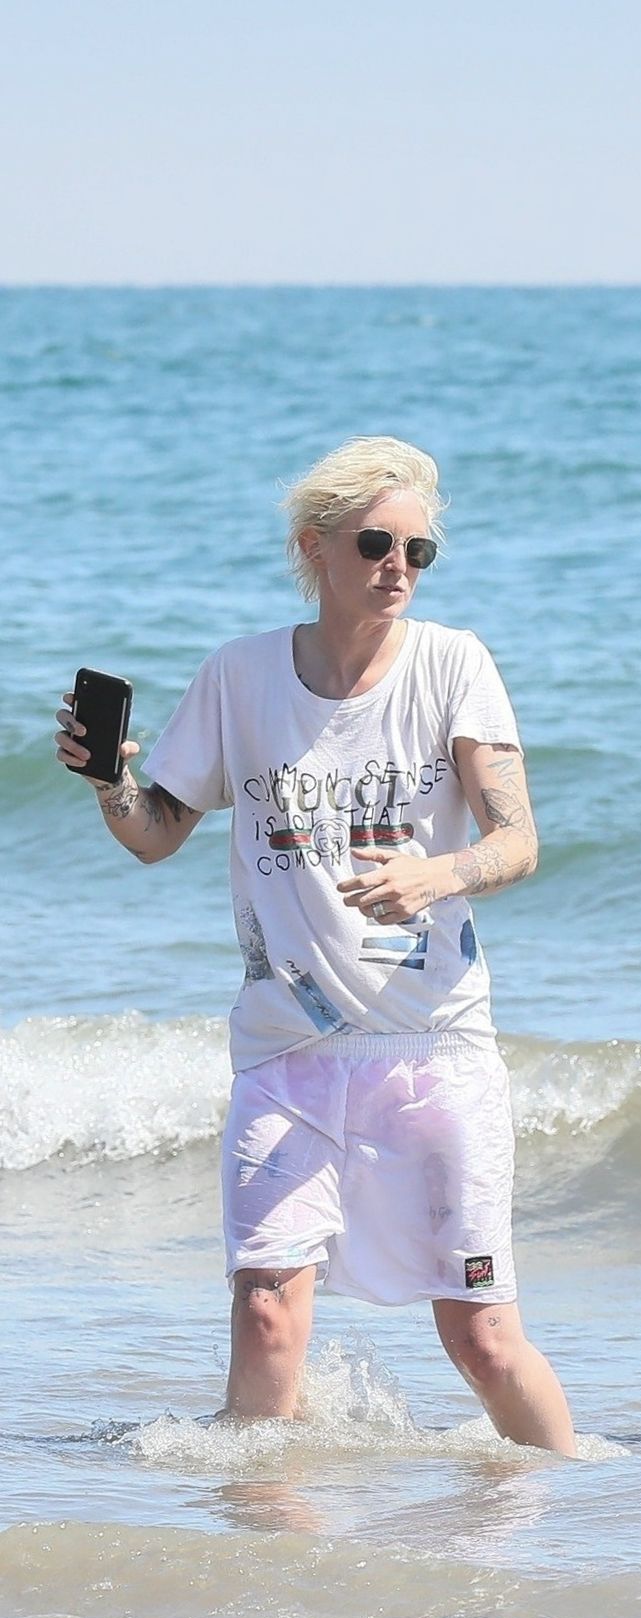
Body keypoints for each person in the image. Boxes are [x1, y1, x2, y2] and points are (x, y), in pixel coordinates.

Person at [55, 436, 575, 1454]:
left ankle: (572, 1502)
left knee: (480, 1336)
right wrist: (109, 781)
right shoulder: (239, 675)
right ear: (315, 547)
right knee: (264, 1312)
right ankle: (268, 1536)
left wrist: (438, 874)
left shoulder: (452, 664)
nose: (398, 566)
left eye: (418, 551)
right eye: (376, 543)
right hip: (286, 1051)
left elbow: (518, 842)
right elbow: (155, 835)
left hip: (433, 1049)